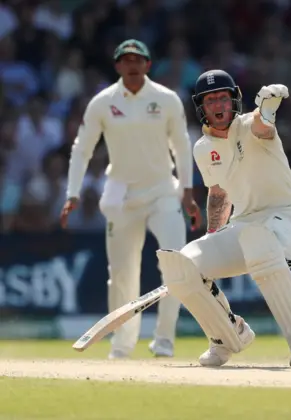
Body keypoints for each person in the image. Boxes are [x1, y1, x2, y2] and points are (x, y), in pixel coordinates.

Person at [155, 69, 291, 368]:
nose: (219, 105)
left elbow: (263, 126)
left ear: (234, 99)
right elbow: (220, 194)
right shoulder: (203, 147)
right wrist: (212, 235)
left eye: (223, 97)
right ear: (201, 107)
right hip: (244, 226)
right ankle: (228, 337)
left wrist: (266, 109)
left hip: (288, 220)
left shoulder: (251, 124)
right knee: (183, 264)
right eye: (211, 101)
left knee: (259, 242)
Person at [60, 39, 202, 359]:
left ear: (149, 65)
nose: (133, 65)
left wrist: (188, 193)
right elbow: (82, 148)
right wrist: (72, 193)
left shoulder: (166, 99)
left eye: (139, 60)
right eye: (126, 60)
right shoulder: (102, 102)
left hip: (163, 189)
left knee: (176, 265)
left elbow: (181, 146)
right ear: (118, 66)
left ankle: (164, 339)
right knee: (122, 273)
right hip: (122, 194)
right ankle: (122, 344)